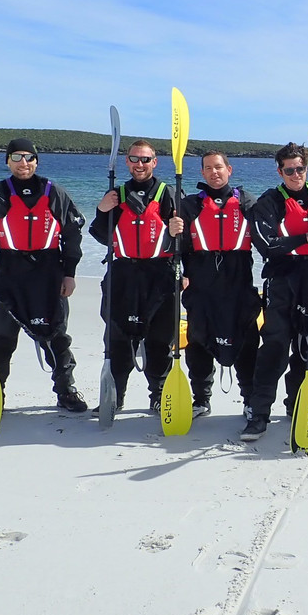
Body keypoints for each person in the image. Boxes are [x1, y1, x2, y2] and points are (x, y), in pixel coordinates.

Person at [0, 138, 89, 412]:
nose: (24, 163)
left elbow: (72, 233)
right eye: (17, 157)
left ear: (37, 161)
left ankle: (66, 391)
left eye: (29, 157)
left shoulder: (54, 192)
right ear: (7, 161)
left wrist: (69, 273)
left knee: (56, 336)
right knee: (1, 339)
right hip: (9, 272)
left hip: (48, 272)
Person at [241, 141, 308, 441]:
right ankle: (259, 413)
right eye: (289, 170)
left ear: (306, 167)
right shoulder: (269, 202)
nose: (295, 174)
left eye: (300, 168)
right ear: (280, 172)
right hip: (283, 280)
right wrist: (305, 237)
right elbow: (266, 246)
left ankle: (297, 404)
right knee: (275, 346)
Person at [167, 151, 261, 419]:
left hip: (238, 284)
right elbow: (174, 248)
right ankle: (201, 399)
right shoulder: (188, 205)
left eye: (218, 167)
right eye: (208, 168)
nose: (214, 172)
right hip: (202, 285)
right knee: (198, 342)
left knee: (246, 341)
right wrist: (172, 232)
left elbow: (268, 237)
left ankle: (250, 400)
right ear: (203, 173)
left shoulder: (246, 202)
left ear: (229, 169)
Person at [89, 139, 179, 413]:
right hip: (124, 273)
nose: (140, 164)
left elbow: (185, 242)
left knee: (159, 340)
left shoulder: (169, 194)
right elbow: (102, 235)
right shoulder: (116, 194)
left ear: (155, 162)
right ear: (127, 162)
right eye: (134, 159)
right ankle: (116, 396)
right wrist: (102, 210)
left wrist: (178, 233)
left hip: (160, 275)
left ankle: (159, 394)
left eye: (145, 159)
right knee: (118, 338)